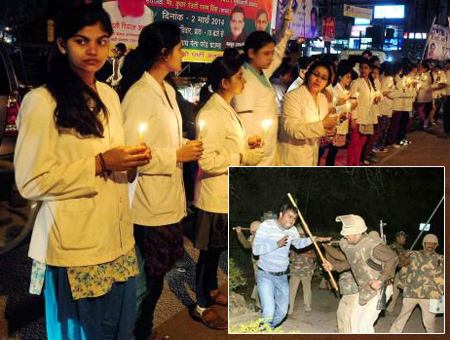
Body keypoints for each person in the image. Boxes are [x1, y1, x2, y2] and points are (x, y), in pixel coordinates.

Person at [14, 5, 151, 339]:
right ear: (62, 45)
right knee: (83, 332)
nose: (93, 50)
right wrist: (101, 163)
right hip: (77, 246)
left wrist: (130, 163)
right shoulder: (42, 101)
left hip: (117, 239)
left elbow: (114, 160)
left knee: (119, 327)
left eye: (102, 41)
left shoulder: (108, 95)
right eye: (82, 40)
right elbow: (30, 181)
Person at [121, 21, 203, 340]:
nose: (185, 53)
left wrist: (183, 145)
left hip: (168, 198)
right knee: (145, 282)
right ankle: (133, 334)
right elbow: (132, 151)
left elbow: (162, 138)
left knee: (155, 279)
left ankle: (142, 331)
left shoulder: (168, 90)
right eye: (181, 47)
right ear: (164, 52)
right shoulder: (140, 95)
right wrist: (176, 155)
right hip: (147, 204)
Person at [191, 56, 264, 330]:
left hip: (224, 194)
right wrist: (242, 155)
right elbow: (207, 160)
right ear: (224, 82)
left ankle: (210, 291)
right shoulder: (211, 112)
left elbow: (225, 143)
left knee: (217, 249)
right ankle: (201, 305)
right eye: (239, 76)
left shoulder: (225, 107)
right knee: (208, 253)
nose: (244, 81)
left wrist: (246, 142)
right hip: (213, 196)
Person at [253, 203, 331, 329]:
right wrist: (276, 244)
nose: (292, 221)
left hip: (282, 276)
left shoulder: (292, 230)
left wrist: (314, 239)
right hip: (266, 275)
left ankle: (268, 329)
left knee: (283, 312)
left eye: (294, 218)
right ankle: (265, 330)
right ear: (280, 215)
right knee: (268, 311)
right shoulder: (266, 226)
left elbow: (299, 244)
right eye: (289, 217)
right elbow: (256, 250)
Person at [231, 7, 293, 165]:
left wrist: (285, 26)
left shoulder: (260, 72)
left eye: (271, 53)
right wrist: (250, 147)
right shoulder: (244, 79)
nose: (271, 58)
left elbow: (278, 53)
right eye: (266, 53)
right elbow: (244, 119)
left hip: (268, 149)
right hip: (255, 151)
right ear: (251, 53)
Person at [322, 214, 398, 333]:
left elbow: (393, 258)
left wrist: (380, 280)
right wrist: (333, 267)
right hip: (364, 289)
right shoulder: (350, 245)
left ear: (359, 232)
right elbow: (351, 262)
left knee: (364, 326)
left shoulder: (372, 245)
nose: (346, 236)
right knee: (354, 322)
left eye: (349, 234)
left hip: (380, 289)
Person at [279, 61, 340, 166]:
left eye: (324, 78)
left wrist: (329, 131)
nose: (318, 79)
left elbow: (321, 126)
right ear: (308, 74)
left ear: (327, 82)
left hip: (312, 154)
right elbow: (291, 128)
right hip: (293, 156)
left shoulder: (322, 98)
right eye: (316, 74)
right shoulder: (293, 97)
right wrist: (323, 125)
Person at [390, 234, 443, 333]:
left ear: (436, 245)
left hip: (430, 296)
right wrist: (403, 256)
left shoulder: (441, 259)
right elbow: (399, 263)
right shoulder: (413, 255)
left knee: (429, 323)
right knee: (401, 318)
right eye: (428, 243)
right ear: (423, 244)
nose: (430, 245)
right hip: (411, 293)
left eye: (433, 244)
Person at [347, 60, 379, 166]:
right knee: (354, 143)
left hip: (368, 117)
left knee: (362, 143)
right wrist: (354, 118)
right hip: (359, 117)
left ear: (370, 70)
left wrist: (377, 97)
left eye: (366, 68)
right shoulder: (356, 82)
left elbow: (372, 97)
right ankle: (350, 165)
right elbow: (352, 101)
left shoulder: (370, 82)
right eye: (361, 68)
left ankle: (357, 163)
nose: (363, 70)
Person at [322, 243, 358, 333]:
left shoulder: (355, 252)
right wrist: (327, 250)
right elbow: (333, 262)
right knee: (341, 315)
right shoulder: (346, 254)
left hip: (355, 290)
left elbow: (340, 256)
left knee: (348, 317)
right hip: (346, 291)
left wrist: (326, 246)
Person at [288, 225, 316, 315]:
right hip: (295, 271)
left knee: (307, 290)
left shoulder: (310, 244)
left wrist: (303, 254)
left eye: (303, 234)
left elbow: (314, 255)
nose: (302, 236)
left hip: (306, 271)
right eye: (300, 234)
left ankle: (307, 307)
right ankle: (289, 308)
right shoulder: (293, 244)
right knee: (292, 290)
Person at [236, 221, 261, 310]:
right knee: (259, 284)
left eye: (256, 231)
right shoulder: (252, 238)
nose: (254, 233)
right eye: (253, 232)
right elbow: (246, 245)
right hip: (257, 266)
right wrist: (240, 234)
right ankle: (258, 304)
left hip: (268, 265)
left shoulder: (266, 238)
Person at [386, 231, 408, 313]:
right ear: (398, 238)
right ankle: (387, 308)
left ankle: (390, 308)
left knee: (396, 291)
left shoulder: (400, 248)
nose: (405, 239)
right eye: (403, 237)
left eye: (405, 237)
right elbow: (394, 259)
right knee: (393, 291)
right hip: (394, 272)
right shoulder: (394, 247)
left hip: (399, 272)